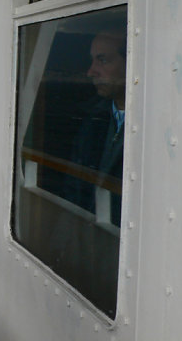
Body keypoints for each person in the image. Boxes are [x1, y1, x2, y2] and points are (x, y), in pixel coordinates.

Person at [65, 29, 126, 223]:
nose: (91, 71)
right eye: (92, 61)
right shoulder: (91, 116)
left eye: (103, 60)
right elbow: (73, 187)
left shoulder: (153, 125)